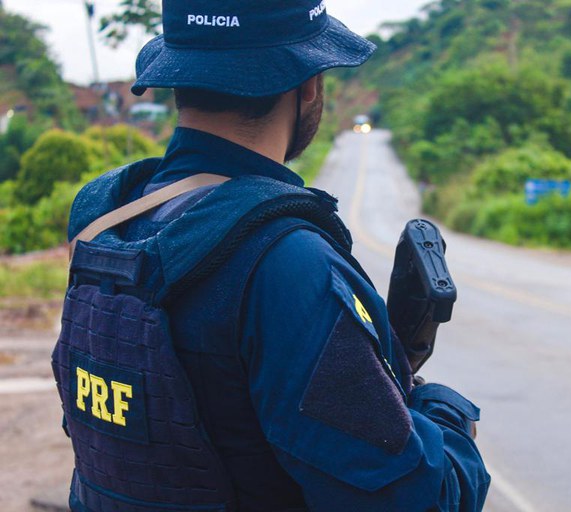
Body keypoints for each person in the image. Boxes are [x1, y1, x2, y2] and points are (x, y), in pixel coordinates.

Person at [53, 1, 490, 510]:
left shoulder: (104, 220)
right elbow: (413, 499)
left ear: (178, 78)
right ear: (306, 86)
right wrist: (446, 416)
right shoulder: (288, 261)